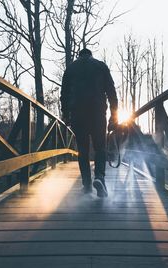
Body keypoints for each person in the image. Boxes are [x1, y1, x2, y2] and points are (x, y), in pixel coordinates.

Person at [60, 48, 118, 197]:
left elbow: (64, 94)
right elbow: (111, 92)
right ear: (91, 55)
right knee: (100, 148)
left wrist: (66, 114)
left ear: (79, 56)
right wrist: (114, 115)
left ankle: (86, 184)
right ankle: (99, 177)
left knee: (83, 150)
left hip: (78, 114)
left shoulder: (71, 68)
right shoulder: (101, 66)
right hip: (97, 113)